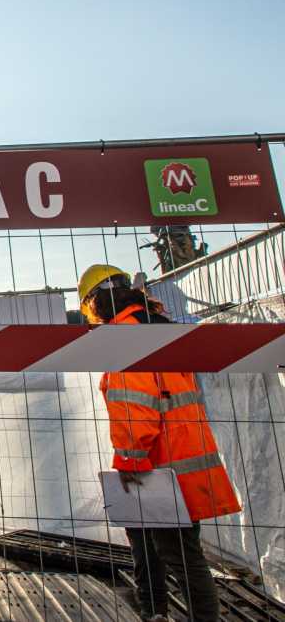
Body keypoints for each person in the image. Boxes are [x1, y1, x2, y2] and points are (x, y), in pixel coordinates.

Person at [79, 264, 241, 622]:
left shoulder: (126, 339)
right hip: (177, 458)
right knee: (152, 545)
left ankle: (181, 616)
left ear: (95, 303)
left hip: (157, 465)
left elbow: (136, 408)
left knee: (181, 556)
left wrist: (130, 462)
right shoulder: (156, 327)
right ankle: (155, 612)